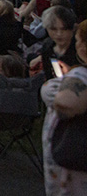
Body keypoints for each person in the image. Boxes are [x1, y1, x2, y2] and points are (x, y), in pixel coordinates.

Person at [40, 19, 87, 195]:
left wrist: (66, 82)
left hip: (73, 164)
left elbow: (65, 102)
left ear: (82, 45)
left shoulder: (80, 77)